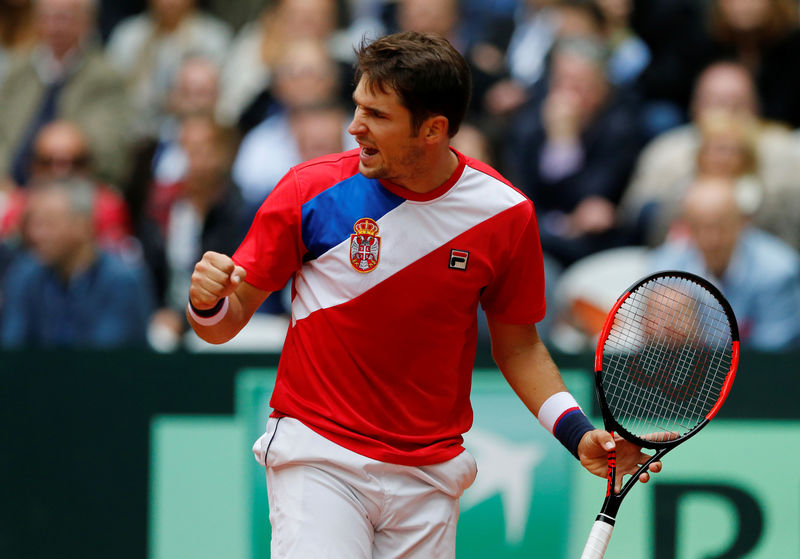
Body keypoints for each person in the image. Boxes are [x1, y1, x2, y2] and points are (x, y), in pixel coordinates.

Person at [186, 31, 660, 558]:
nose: (354, 127)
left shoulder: (504, 215)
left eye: (377, 115)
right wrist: (207, 300)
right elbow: (223, 322)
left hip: (429, 473)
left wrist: (576, 434)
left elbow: (519, 346)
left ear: (433, 130)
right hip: (319, 455)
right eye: (357, 106)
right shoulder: (309, 190)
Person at [620, 61, 800, 250]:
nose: (725, 113)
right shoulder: (666, 152)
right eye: (715, 103)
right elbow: (637, 218)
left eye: (736, 104)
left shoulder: (784, 152)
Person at [650, 176, 800, 351]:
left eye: (720, 226)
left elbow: (773, 355)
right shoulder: (663, 268)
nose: (711, 239)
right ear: (687, 226)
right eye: (700, 227)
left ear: (742, 222)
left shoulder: (779, 270)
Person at [0, 177, 153, 348]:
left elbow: (106, 359)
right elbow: (11, 351)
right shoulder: (24, 275)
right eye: (33, 223)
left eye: (48, 224)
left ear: (83, 225)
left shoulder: (123, 281)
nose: (36, 234)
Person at [0, 0, 132, 189]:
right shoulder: (18, 71)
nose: (55, 26)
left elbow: (107, 151)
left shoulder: (105, 78)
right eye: (48, 17)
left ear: (87, 23)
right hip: (9, 186)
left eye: (64, 18)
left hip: (72, 186)